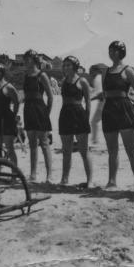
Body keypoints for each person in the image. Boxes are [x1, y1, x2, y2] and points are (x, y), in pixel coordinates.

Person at [102, 41, 134, 192]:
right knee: (112, 150)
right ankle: (111, 181)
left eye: (115, 50)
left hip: (125, 110)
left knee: (131, 149)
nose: (111, 53)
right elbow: (105, 93)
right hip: (109, 110)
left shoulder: (128, 70)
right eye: (110, 50)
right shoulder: (105, 72)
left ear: (121, 52)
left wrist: (132, 109)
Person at [59, 56, 93, 187]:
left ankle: (89, 180)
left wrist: (87, 118)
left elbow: (88, 101)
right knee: (66, 151)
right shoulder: (63, 81)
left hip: (79, 115)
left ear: (75, 66)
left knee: (84, 151)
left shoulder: (82, 80)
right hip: (65, 114)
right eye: (65, 65)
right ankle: (64, 179)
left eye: (69, 65)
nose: (66, 67)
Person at [22, 49, 53, 183]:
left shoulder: (42, 75)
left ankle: (49, 175)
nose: (26, 61)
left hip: (40, 110)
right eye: (25, 58)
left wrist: (46, 113)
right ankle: (33, 174)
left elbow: (50, 97)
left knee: (44, 144)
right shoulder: (26, 75)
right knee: (32, 144)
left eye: (28, 58)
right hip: (28, 109)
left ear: (34, 60)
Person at [0, 63, 19, 165]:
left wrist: (13, 116)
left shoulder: (9, 87)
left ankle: (14, 174)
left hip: (6, 120)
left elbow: (17, 102)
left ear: (1, 73)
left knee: (9, 148)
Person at [89, 63, 107, 144]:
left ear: (95, 71)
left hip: (103, 103)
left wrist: (90, 99)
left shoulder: (97, 79)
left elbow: (101, 94)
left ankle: (95, 140)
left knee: (94, 121)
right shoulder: (101, 77)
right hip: (106, 102)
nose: (90, 73)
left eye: (91, 71)